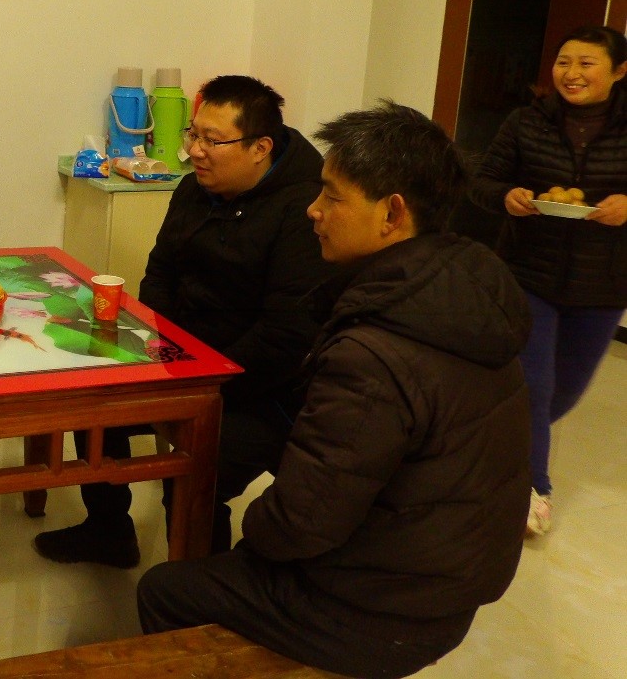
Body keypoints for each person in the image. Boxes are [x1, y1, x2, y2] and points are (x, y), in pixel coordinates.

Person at [138, 101, 531, 679]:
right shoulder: (463, 292)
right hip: (442, 585)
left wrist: (254, 537)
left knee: (165, 590)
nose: (314, 210)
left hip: (379, 611)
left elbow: (301, 522)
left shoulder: (375, 353)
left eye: (332, 196)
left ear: (392, 213)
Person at [34, 75, 329, 568]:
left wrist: (203, 386)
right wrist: (163, 352)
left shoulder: (304, 211)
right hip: (185, 361)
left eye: (213, 140)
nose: (195, 151)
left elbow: (284, 336)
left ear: (261, 147)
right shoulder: (195, 188)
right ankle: (109, 531)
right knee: (95, 397)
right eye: (193, 135)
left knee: (195, 469)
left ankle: (199, 587)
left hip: (260, 388)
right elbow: (160, 274)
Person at [469, 25, 627, 537]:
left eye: (586, 63)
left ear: (619, 71)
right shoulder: (526, 121)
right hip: (528, 274)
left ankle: (493, 446)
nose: (571, 73)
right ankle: (532, 488)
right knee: (533, 386)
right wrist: (507, 196)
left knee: (564, 393)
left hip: (604, 285)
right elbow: (482, 180)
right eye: (563, 62)